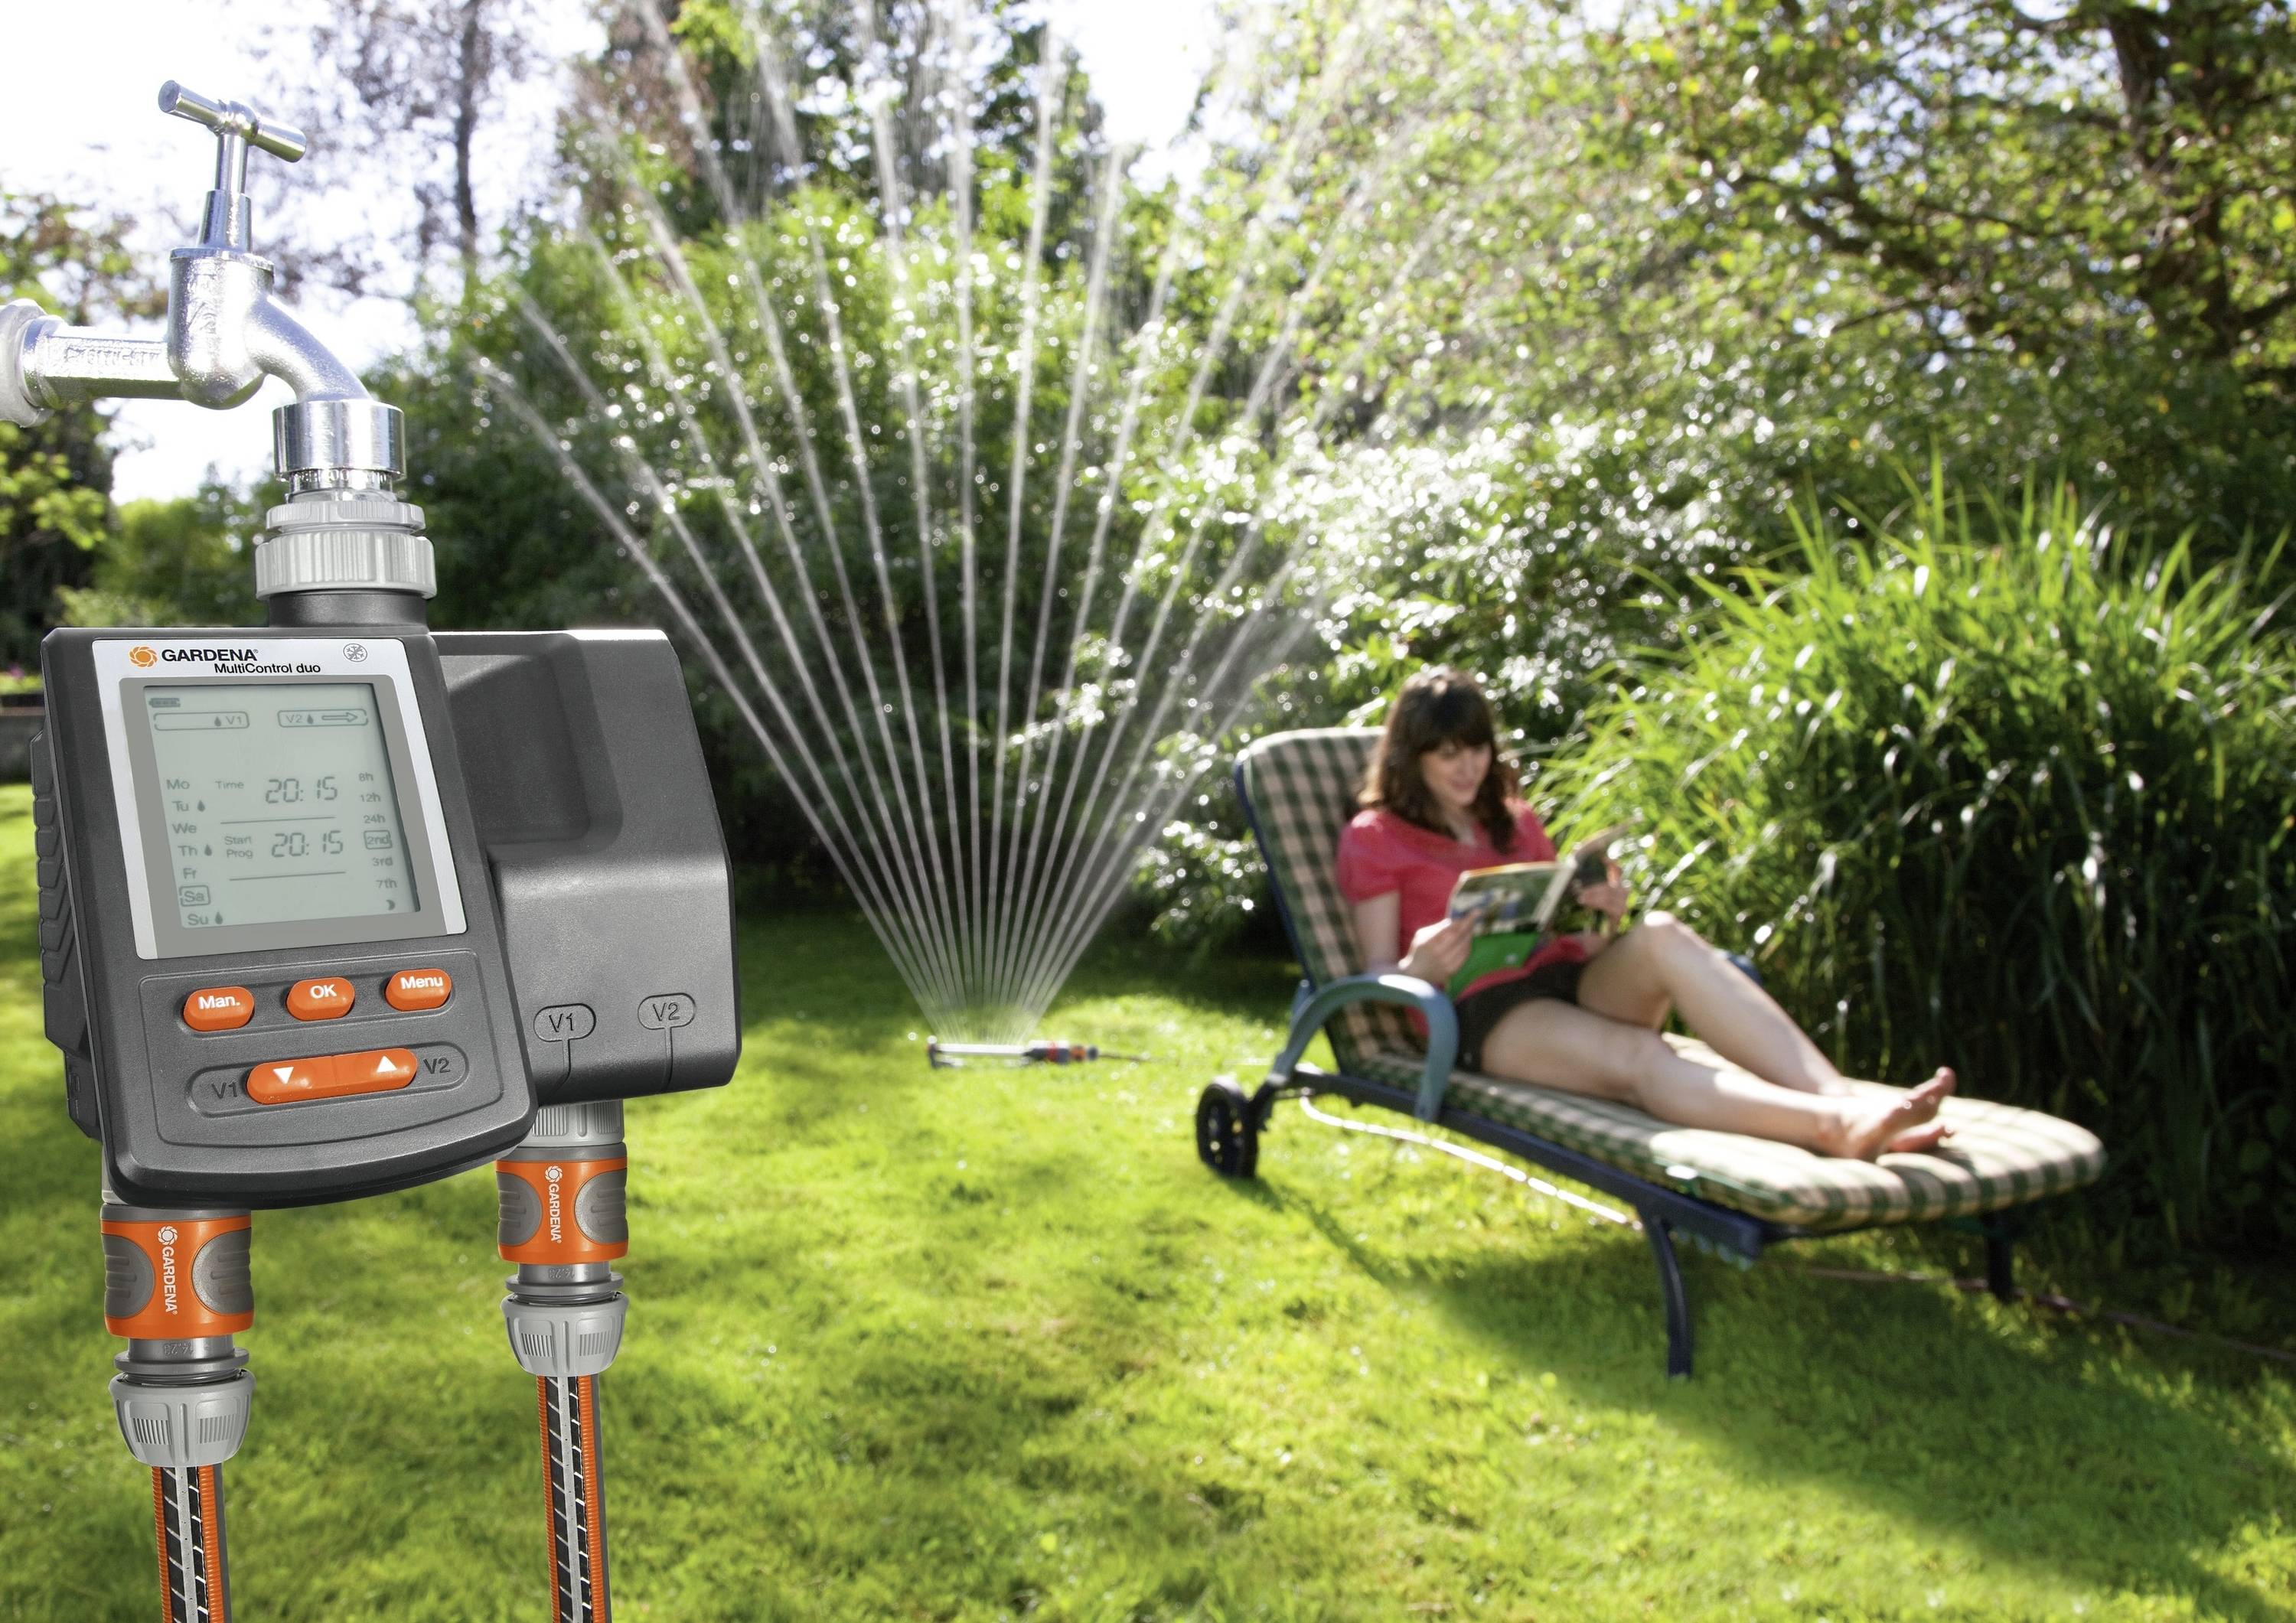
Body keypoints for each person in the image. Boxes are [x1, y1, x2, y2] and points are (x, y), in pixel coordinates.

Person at [1336, 667, 1954, 1159]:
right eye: (1448, 754)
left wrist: (1601, 917)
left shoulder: (1513, 819)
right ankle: (1836, 1127)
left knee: (1659, 934)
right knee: (1640, 1057)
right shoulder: (1376, 836)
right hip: (1485, 1011)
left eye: (1477, 749)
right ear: (1412, 757)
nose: (1469, 767)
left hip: (1564, 979)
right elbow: (1378, 974)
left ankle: (1846, 1100)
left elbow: (1578, 946)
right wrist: (1420, 966)